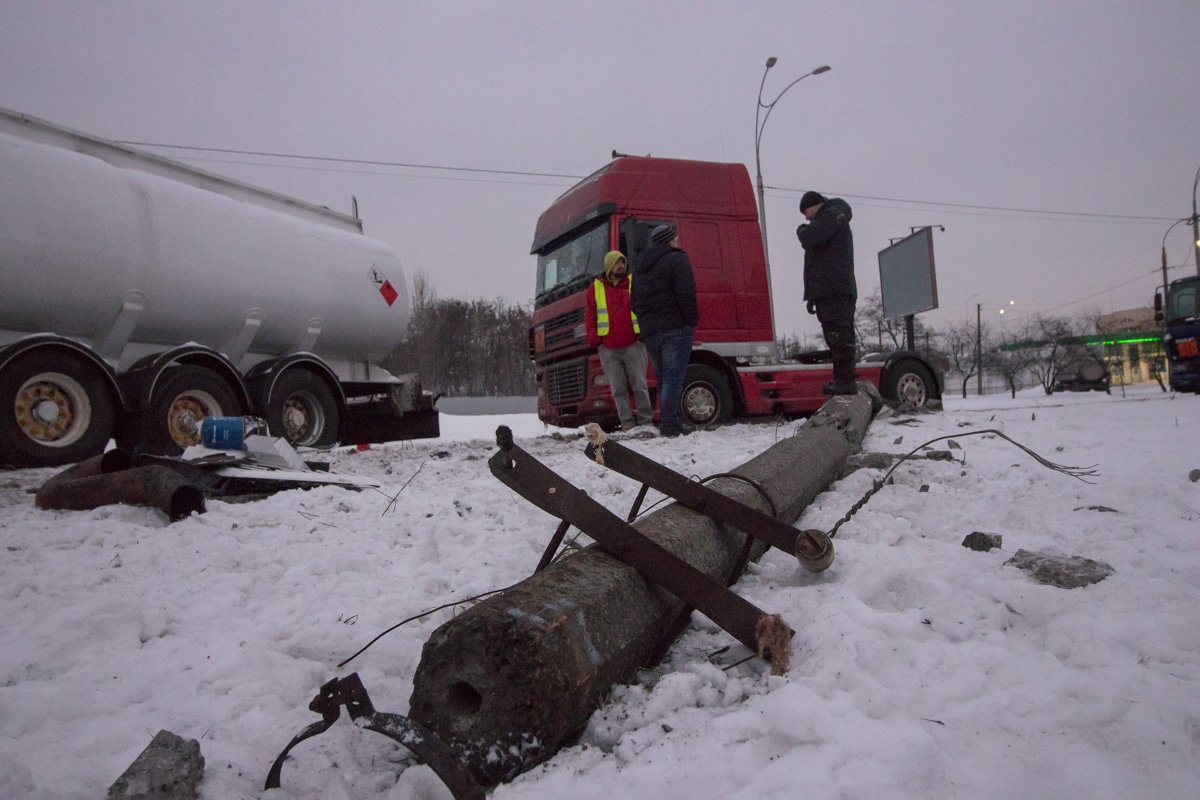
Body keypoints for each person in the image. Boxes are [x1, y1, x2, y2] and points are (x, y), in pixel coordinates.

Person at [631, 224, 699, 437]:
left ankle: (670, 420)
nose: (678, 240)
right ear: (670, 240)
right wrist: (691, 320)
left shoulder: (640, 267)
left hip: (651, 332)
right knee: (673, 377)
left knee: (664, 377)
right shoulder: (677, 259)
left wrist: (645, 324)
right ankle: (670, 425)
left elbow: (634, 301)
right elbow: (686, 293)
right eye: (675, 237)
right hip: (675, 327)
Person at [797, 191, 858, 395]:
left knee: (838, 336)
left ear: (815, 205)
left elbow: (811, 238)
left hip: (834, 290)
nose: (806, 218)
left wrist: (801, 230)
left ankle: (845, 382)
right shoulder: (833, 217)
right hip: (832, 290)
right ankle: (843, 380)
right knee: (837, 336)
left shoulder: (832, 215)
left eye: (806, 212)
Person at [584, 250, 653, 430]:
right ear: (609, 266)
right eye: (617, 263)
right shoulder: (595, 288)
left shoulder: (633, 283)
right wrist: (596, 341)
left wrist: (643, 334)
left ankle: (646, 421)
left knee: (640, 385)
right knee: (618, 390)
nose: (621, 266)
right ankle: (627, 424)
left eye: (622, 263)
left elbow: (646, 307)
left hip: (634, 344)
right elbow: (590, 316)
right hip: (608, 348)